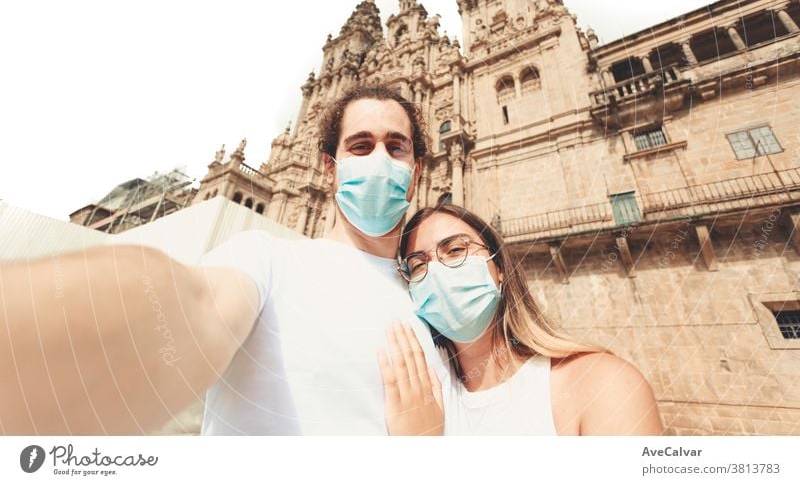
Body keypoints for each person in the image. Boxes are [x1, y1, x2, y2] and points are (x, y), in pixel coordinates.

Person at [0, 84, 448, 435]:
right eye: (361, 145)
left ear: (417, 171)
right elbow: (192, 306)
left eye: (396, 147)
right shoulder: (266, 260)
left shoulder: (437, 303)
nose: (379, 160)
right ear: (329, 168)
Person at [379, 204, 664, 435]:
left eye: (455, 250)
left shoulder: (602, 384)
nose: (438, 272)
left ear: (499, 267)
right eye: (418, 265)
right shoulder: (421, 396)